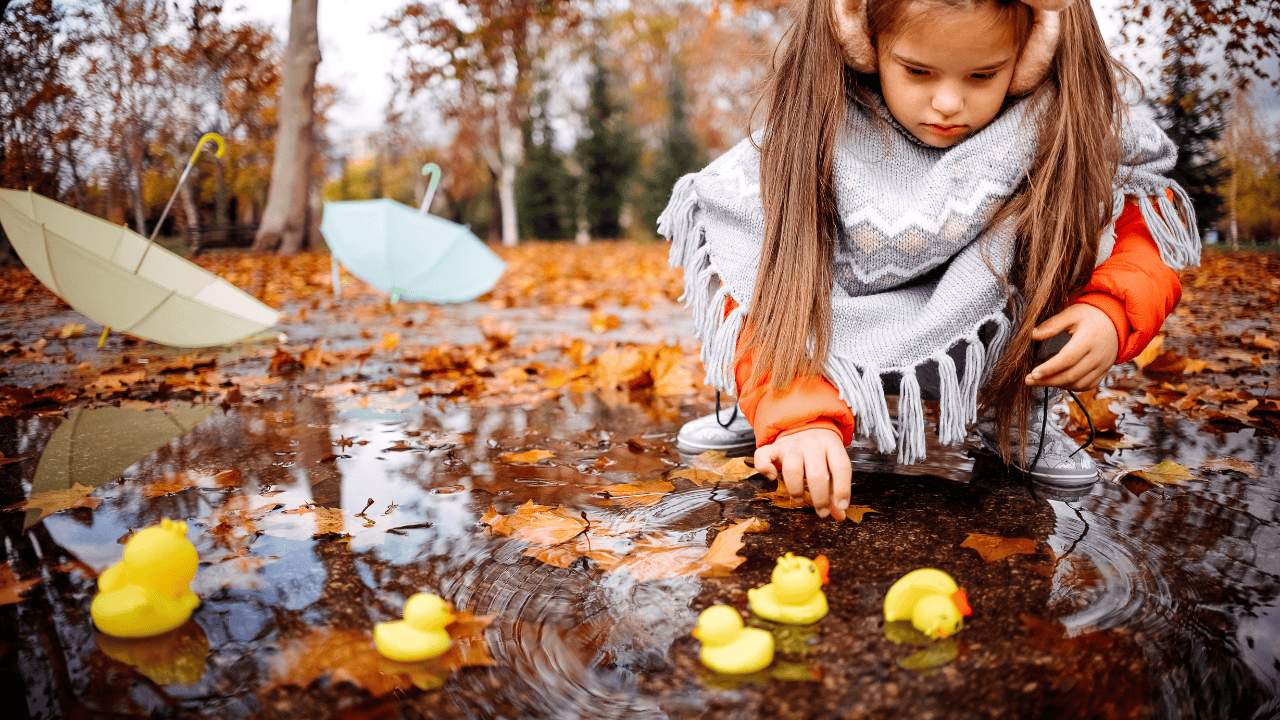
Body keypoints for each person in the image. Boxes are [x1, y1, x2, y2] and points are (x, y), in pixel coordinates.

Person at [659, 0, 1200, 520]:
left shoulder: (1065, 125)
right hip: (830, 329)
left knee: (1065, 205)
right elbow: (757, 279)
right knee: (750, 258)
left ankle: (1013, 412)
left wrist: (1112, 310)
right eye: (918, 72)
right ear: (861, 43)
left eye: (982, 76)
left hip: (1000, 323)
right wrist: (797, 419)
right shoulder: (806, 135)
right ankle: (771, 404)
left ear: (1032, 56)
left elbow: (1144, 236)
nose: (947, 103)